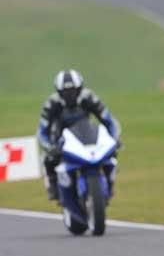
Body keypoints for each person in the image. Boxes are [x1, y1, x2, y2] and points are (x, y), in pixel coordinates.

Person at [37, 69, 121, 200]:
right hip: (62, 140)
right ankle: (53, 187)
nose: (70, 95)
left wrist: (114, 138)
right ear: (59, 92)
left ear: (80, 88)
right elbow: (42, 132)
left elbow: (110, 121)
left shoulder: (89, 98)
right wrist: (49, 147)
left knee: (112, 153)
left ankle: (109, 183)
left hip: (87, 137)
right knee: (48, 159)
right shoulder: (51, 104)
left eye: (73, 91)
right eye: (66, 92)